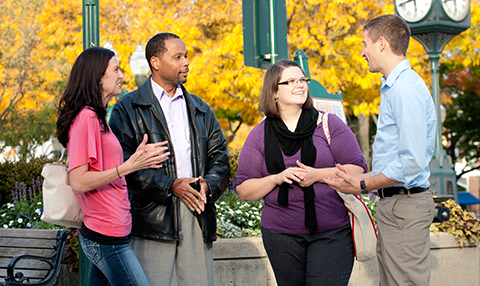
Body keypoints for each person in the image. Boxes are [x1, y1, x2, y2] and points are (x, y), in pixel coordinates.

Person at [108, 33, 230, 286]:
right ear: (155, 62)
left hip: (197, 209)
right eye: (177, 57)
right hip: (152, 216)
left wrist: (208, 184)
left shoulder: (201, 108)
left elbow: (220, 156)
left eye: (185, 56)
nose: (186, 62)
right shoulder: (127, 108)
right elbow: (123, 164)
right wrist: (171, 185)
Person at [324, 14, 437, 286]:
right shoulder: (395, 87)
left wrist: (363, 183)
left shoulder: (404, 90)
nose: (363, 52)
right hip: (397, 206)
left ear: (382, 43)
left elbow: (411, 163)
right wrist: (358, 181)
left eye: (365, 43)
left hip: (404, 207)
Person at [235, 60, 368, 285]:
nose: (300, 85)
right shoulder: (259, 135)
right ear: (274, 92)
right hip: (281, 235)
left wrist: (317, 175)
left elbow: (357, 169)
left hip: (332, 233)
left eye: (302, 80)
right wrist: (276, 178)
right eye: (291, 81)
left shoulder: (329, 124)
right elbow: (243, 189)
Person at [56, 47, 170, 286]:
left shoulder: (97, 118)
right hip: (105, 236)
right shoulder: (86, 118)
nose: (122, 76)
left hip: (113, 231)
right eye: (116, 70)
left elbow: (103, 167)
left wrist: (137, 157)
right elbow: (78, 181)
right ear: (98, 77)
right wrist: (126, 168)